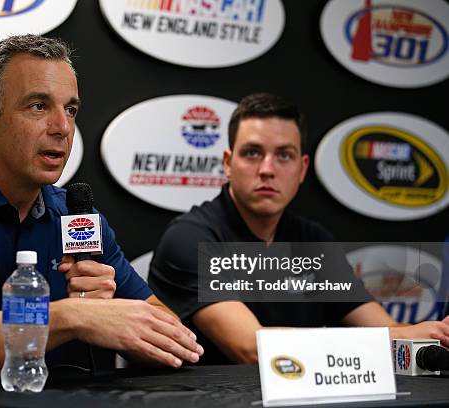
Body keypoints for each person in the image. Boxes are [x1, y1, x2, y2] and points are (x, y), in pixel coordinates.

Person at [0, 34, 203, 380]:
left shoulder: (79, 222)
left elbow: (178, 343)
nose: (62, 128)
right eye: (38, 106)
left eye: (70, 109)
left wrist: (112, 311)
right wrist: (73, 317)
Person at [148, 93, 449, 365]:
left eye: (284, 155)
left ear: (302, 169)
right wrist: (386, 340)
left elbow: (384, 329)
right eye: (252, 153)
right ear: (228, 164)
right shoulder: (190, 238)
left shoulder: (313, 240)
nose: (267, 169)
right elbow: (251, 348)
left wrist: (428, 334)